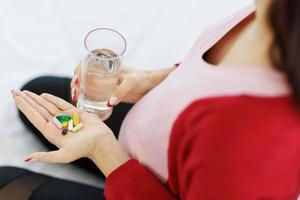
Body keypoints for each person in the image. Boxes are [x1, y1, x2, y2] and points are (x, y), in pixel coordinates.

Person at [3, 0, 300, 199]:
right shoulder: (276, 12)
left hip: (155, 186)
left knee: (6, 185)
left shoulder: (250, 140)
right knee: (40, 90)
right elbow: (220, 74)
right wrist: (151, 80)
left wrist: (103, 151)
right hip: (161, 147)